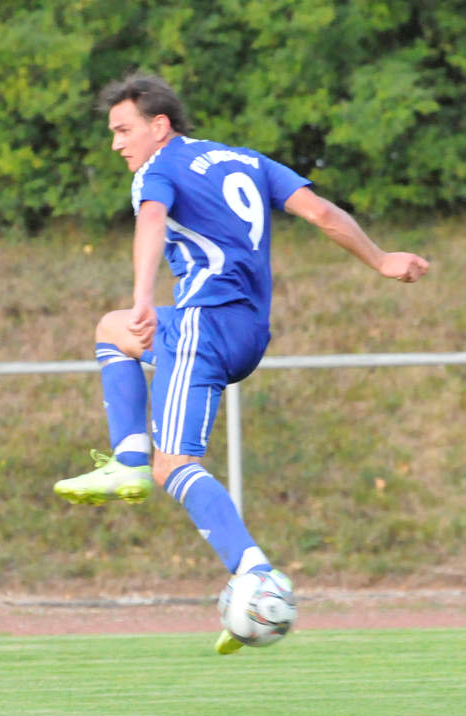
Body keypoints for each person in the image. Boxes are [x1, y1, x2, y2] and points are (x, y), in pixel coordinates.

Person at [54, 73, 429, 654]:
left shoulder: (157, 169)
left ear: (160, 126)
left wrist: (144, 297)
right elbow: (321, 212)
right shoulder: (246, 160)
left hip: (204, 325)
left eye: (124, 130)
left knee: (172, 464)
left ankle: (255, 576)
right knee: (112, 331)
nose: (116, 144)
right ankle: (129, 462)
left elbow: (151, 220)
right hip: (249, 332)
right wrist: (381, 261)